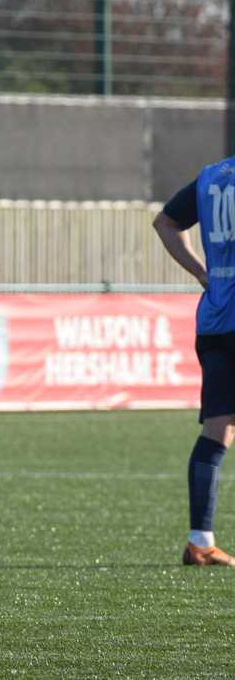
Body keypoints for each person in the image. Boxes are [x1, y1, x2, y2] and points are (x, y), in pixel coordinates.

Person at [154, 162, 235, 566]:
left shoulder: (212, 178)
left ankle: (200, 540)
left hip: (216, 319)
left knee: (218, 430)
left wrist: (204, 274)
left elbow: (165, 223)